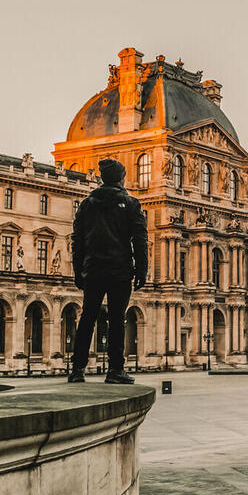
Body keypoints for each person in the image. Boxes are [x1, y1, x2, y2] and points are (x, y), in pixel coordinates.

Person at [69, 158, 147, 383]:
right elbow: (139, 239)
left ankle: (77, 369)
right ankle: (115, 370)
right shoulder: (131, 204)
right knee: (116, 319)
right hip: (119, 269)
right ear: (121, 178)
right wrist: (141, 269)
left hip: (93, 268)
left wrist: (78, 270)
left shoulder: (87, 203)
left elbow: (78, 240)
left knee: (88, 318)